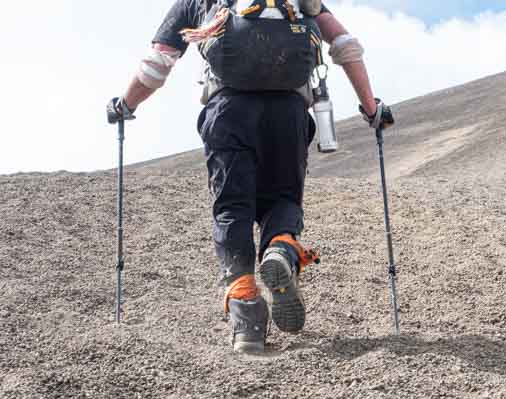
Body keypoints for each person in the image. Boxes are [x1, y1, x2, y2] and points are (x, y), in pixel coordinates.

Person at [106, 0, 394, 355]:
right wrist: (371, 107)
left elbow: (157, 63)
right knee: (283, 199)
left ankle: (248, 323)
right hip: (289, 112)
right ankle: (280, 251)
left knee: (232, 208)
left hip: (228, 112)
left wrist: (126, 105)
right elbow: (346, 46)